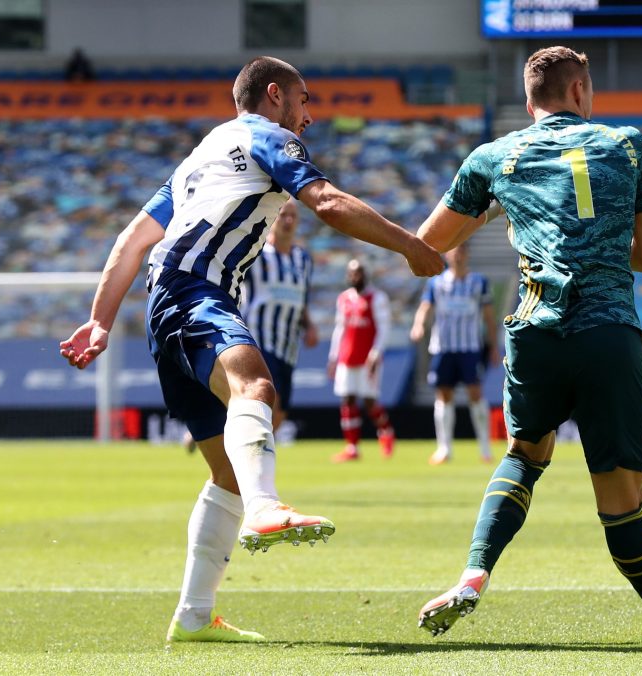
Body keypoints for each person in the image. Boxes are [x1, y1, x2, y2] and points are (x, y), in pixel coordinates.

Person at [60, 56, 443, 643]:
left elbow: (132, 238)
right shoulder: (266, 136)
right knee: (256, 388)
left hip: (167, 299)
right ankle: (267, 510)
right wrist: (409, 246)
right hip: (195, 291)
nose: (309, 116)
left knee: (226, 471)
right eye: (304, 101)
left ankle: (194, 615)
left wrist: (99, 320)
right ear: (274, 95)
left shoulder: (203, 154)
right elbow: (329, 203)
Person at [413, 46, 642, 641]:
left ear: (528, 101)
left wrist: (496, 210)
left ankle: (473, 573)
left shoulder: (494, 155)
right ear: (579, 93)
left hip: (535, 331)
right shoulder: (629, 144)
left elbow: (427, 246)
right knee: (621, 500)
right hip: (607, 331)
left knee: (524, 456)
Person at [409, 241, 499, 465]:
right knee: (444, 395)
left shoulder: (478, 282)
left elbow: (489, 317)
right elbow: (424, 308)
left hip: (470, 347)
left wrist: (494, 346)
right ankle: (444, 448)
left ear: (467, 254)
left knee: (475, 394)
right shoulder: (437, 283)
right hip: (443, 347)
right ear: (447, 255)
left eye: (461, 251)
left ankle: (485, 448)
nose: (458, 256)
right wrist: (418, 325)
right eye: (454, 252)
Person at [241, 198, 318, 433]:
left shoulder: (302, 260)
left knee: (281, 413)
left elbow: (300, 298)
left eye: (293, 216)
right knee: (269, 401)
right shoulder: (257, 254)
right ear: (272, 216)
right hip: (259, 340)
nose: (288, 220)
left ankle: (214, 426)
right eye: (283, 214)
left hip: (288, 345)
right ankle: (252, 462)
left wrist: (309, 325)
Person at [326, 258, 396, 462]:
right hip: (347, 357)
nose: (355, 276)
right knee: (347, 399)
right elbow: (339, 329)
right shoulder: (344, 298)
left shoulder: (377, 297)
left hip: (367, 358)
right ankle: (352, 447)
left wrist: (376, 352)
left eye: (359, 272)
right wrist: (333, 357)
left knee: (369, 401)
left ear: (366, 274)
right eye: (352, 272)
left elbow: (383, 327)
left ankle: (386, 433)